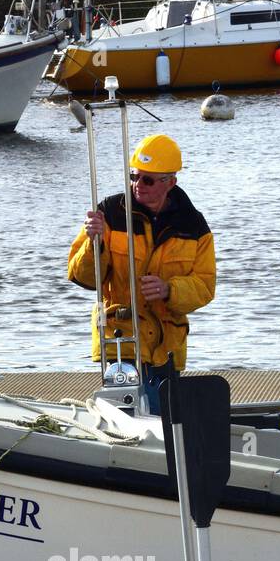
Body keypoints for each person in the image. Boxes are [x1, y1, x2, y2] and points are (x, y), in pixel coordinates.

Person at [67, 133, 216, 411]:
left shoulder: (194, 226)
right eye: (134, 176)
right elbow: (82, 277)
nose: (138, 185)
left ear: (170, 182)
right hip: (120, 341)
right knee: (126, 418)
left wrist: (169, 289)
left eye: (147, 179)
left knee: (163, 421)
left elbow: (205, 287)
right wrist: (93, 242)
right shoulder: (109, 213)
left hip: (166, 347)